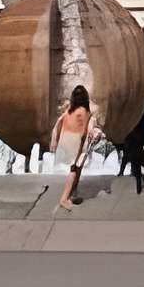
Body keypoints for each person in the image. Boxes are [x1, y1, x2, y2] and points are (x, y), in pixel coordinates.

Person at [49, 83, 94, 212]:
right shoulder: (85, 112)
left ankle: (71, 195)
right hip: (75, 142)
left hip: (65, 140)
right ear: (85, 98)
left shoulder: (69, 110)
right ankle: (64, 198)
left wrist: (55, 141)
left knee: (77, 169)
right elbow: (88, 130)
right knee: (74, 170)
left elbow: (59, 124)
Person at [117, 106, 144, 195]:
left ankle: (140, 179)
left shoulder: (130, 131)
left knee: (136, 167)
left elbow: (126, 142)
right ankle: (142, 179)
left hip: (133, 152)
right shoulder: (134, 131)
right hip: (137, 152)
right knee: (140, 166)